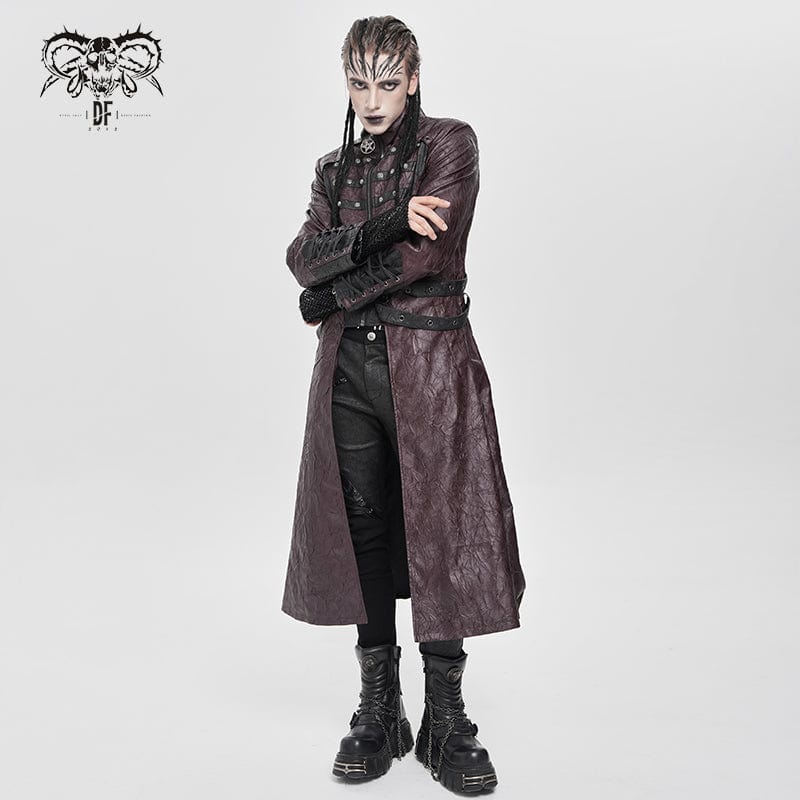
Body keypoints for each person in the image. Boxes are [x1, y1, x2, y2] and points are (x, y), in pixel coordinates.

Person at [283, 15, 526, 793]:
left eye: (387, 82)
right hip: (348, 372)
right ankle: (380, 707)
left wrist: (332, 296)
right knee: (363, 530)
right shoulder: (332, 169)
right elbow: (301, 258)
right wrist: (381, 227)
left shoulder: (451, 145)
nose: (372, 99)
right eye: (359, 82)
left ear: (413, 80)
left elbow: (430, 255)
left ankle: (445, 717)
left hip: (430, 363)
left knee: (441, 527)